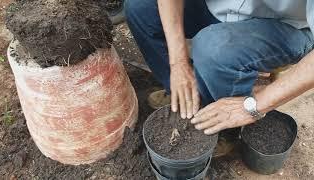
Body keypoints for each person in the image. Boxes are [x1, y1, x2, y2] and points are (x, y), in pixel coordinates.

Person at [124, 0, 314, 136]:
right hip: (217, 5)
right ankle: (183, 95)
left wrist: (254, 106)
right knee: (140, 6)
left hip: (288, 24)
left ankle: (226, 128)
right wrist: (178, 63)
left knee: (212, 49)